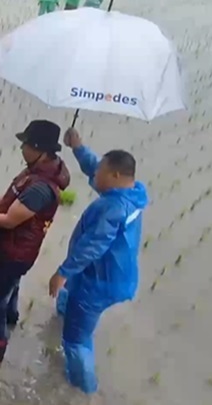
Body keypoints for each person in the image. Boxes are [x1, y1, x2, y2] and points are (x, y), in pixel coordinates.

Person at [49, 127, 147, 394]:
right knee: (67, 300)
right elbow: (95, 168)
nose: (96, 174)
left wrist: (62, 271)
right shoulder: (133, 191)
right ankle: (61, 314)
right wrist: (78, 147)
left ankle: (84, 390)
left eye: (102, 171)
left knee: (75, 341)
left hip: (98, 283)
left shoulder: (112, 207)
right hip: (117, 275)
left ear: (115, 176)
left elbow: (93, 246)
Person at [0, 120, 71, 364]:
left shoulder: (40, 188)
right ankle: (12, 319)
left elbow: (11, 220)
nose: (21, 148)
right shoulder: (35, 171)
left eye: (25, 144)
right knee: (11, 287)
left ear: (38, 148)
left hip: (15, 253)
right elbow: (10, 195)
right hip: (18, 250)